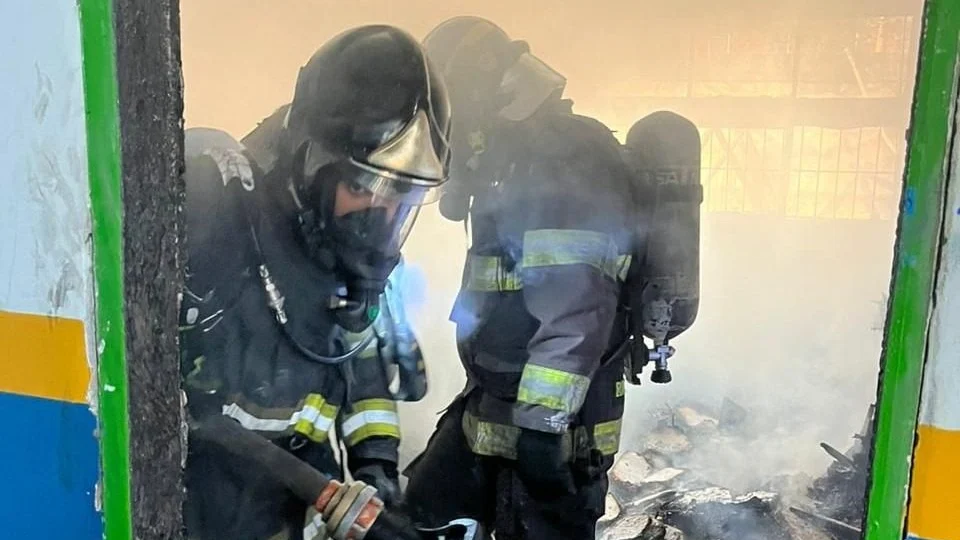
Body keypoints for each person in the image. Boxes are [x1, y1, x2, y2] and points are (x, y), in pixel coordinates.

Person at [179, 25, 450, 540]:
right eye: (363, 185)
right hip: (198, 505)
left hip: (286, 508)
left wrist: (376, 466)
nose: (382, 215)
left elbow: (361, 369)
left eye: (402, 199)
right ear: (312, 162)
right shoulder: (220, 222)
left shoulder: (352, 265)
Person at [400, 16, 638, 540]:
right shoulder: (509, 158)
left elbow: (577, 310)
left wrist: (542, 428)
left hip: (553, 431)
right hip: (492, 405)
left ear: (482, 92)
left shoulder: (562, 158)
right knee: (418, 514)